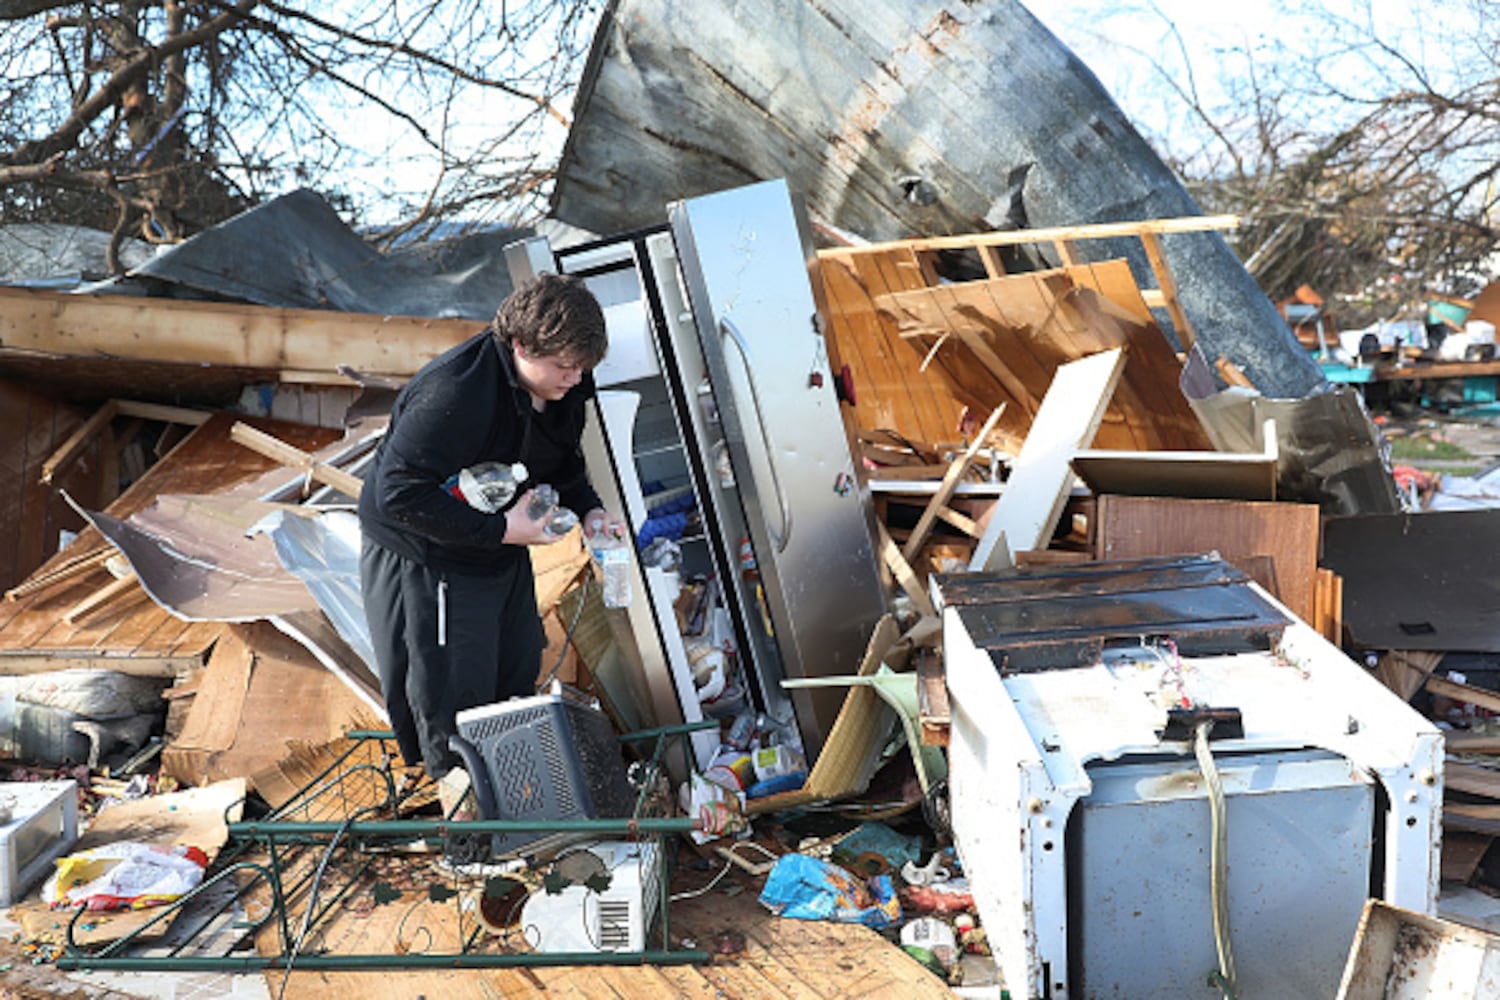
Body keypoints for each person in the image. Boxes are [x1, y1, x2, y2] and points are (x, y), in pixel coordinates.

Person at [358, 273, 625, 778]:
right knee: (456, 691)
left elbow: (562, 461)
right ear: (520, 345)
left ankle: (513, 799)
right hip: (425, 549)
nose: (574, 379)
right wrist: (504, 530)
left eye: (582, 367)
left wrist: (590, 510)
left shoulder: (566, 384)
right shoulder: (454, 391)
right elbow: (396, 493)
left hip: (497, 539)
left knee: (518, 662)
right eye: (564, 367)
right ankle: (468, 834)